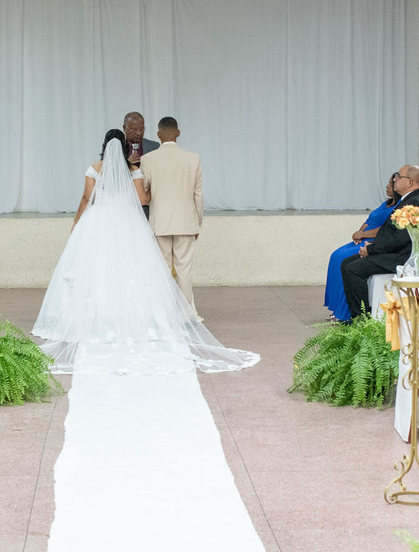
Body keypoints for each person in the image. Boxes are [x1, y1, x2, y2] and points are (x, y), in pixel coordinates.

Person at [32, 136, 257, 374]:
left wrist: (77, 222)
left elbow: (87, 198)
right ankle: (134, 319)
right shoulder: (134, 170)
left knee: (98, 269)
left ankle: (99, 318)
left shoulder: (95, 168)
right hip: (128, 222)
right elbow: (142, 200)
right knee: (129, 269)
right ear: (125, 147)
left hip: (98, 222)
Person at [339, 165, 419, 320]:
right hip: (390, 251)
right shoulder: (406, 200)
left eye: (399, 177)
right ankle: (357, 315)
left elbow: (399, 239)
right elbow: (389, 233)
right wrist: (371, 246)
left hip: (399, 256)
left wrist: (371, 250)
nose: (395, 180)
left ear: (410, 182)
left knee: (353, 269)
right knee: (346, 263)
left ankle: (362, 318)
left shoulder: (414, 204)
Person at [141, 117, 203, 317]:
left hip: (159, 223)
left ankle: (164, 313)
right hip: (186, 222)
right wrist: (197, 223)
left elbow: (144, 192)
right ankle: (187, 315)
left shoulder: (148, 159)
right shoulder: (193, 158)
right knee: (185, 270)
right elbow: (198, 195)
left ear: (158, 134)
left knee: (163, 270)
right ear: (178, 133)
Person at [324, 174, 398, 322]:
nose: (387, 186)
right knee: (336, 255)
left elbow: (384, 230)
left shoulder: (399, 207)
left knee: (344, 261)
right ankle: (336, 307)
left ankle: (345, 312)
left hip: (373, 241)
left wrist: (363, 235)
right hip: (363, 238)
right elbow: (369, 221)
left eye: (391, 184)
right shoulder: (386, 204)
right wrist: (359, 233)